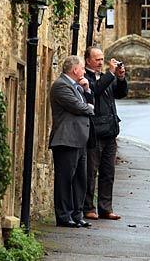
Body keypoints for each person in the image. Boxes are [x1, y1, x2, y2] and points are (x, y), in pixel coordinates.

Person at [49, 56, 95, 228]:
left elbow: (88, 106)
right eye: (82, 68)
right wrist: (88, 107)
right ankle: (64, 216)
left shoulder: (77, 87)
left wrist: (87, 91)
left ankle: (77, 215)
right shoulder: (61, 85)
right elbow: (79, 107)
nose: (84, 72)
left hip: (80, 139)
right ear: (75, 70)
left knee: (80, 180)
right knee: (65, 180)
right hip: (66, 140)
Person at [83, 47, 128, 220]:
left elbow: (121, 93)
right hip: (94, 132)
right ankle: (88, 208)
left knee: (108, 173)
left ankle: (105, 207)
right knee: (90, 172)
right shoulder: (85, 78)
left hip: (109, 131)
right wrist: (110, 73)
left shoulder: (105, 77)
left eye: (102, 59)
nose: (101, 62)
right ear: (88, 61)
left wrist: (121, 77)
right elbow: (95, 91)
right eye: (97, 59)